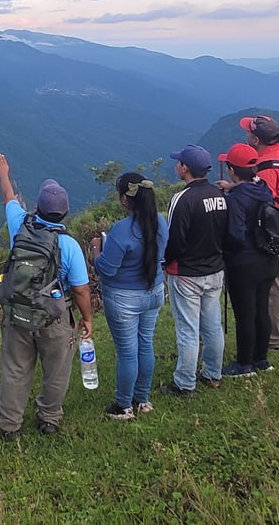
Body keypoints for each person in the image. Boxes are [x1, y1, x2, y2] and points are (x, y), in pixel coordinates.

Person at [0, 153, 92, 439]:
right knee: (57, 371)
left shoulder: (19, 224)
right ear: (66, 213)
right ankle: (49, 418)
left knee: (15, 370)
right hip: (55, 318)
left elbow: (8, 195)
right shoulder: (69, 245)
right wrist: (86, 318)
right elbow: (81, 288)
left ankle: (7, 425)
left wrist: (3, 172)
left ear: (36, 208)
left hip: (17, 313)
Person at [90, 172, 169, 420]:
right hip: (154, 291)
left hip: (124, 297)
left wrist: (95, 251)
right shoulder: (161, 222)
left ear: (125, 199)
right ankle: (142, 399)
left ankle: (123, 406)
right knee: (145, 344)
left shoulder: (121, 230)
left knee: (127, 351)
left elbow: (107, 268)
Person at [162, 144, 227, 395]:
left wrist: (167, 262)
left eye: (179, 162)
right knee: (212, 325)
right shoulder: (219, 195)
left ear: (185, 168)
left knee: (188, 329)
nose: (177, 165)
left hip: (188, 272)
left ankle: (185, 382)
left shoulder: (182, 199)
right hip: (215, 269)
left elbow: (175, 239)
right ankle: (213, 373)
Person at [238, 115, 279, 352]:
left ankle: (275, 341)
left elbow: (261, 202)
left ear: (255, 139)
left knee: (274, 289)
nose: (245, 135)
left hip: (277, 237)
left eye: (248, 132)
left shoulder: (266, 167)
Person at [216, 143, 279, 377]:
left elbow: (235, 235)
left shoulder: (234, 200)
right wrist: (232, 187)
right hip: (268, 259)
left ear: (231, 170)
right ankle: (261, 359)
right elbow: (248, 190)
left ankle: (243, 364)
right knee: (261, 310)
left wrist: (224, 252)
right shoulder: (264, 188)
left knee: (244, 314)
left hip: (244, 263)